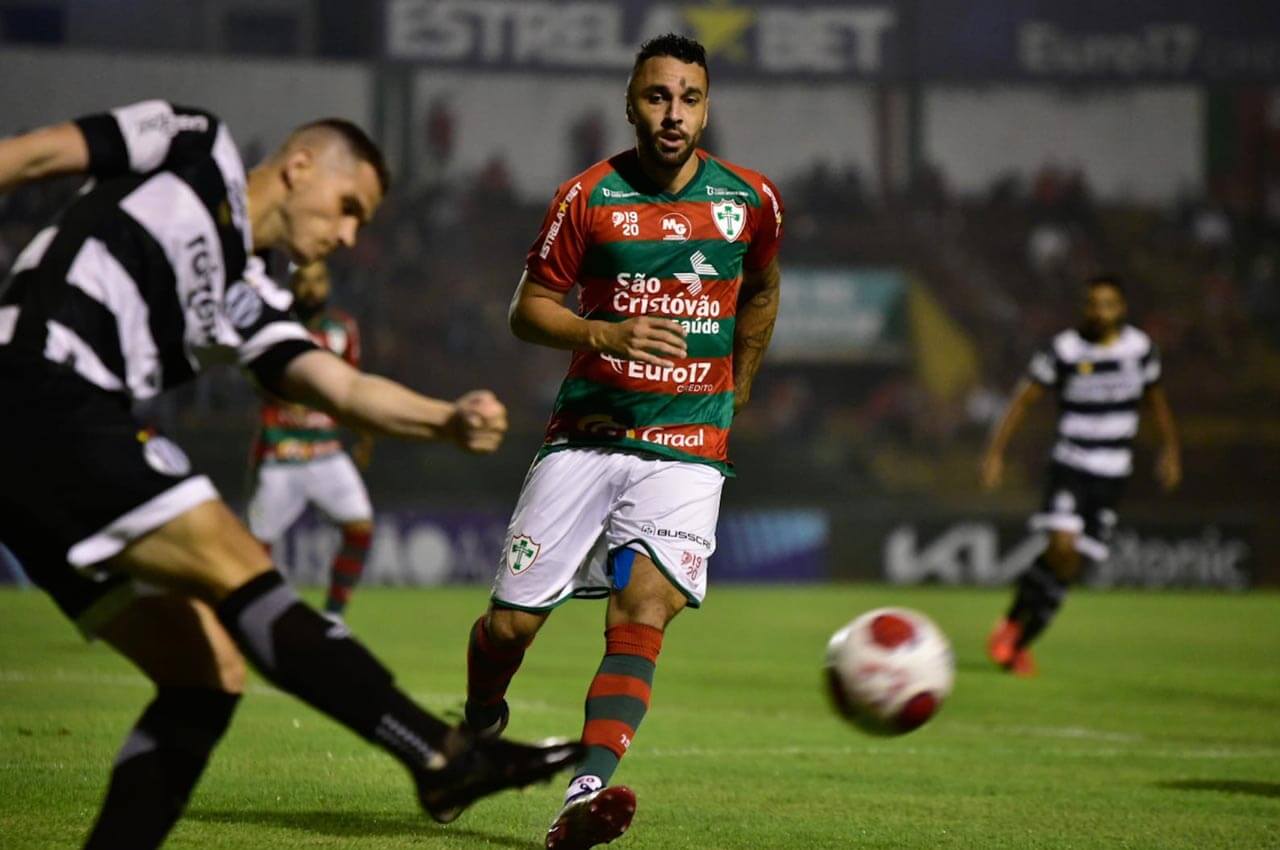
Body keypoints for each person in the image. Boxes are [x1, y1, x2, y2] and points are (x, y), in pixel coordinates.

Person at [0, 100, 581, 849]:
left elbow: (340, 389)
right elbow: (38, 155)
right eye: (348, 209)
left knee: (204, 672)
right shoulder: (194, 143)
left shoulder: (251, 298)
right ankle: (439, 755)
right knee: (234, 557)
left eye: (362, 226)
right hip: (37, 383)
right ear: (300, 166)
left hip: (60, 432)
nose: (347, 236)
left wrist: (445, 419)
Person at [458, 34, 784, 849]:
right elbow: (527, 310)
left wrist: (736, 388)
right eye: (656, 97)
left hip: (688, 448)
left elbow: (764, 290)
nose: (673, 114)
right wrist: (604, 333)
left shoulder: (752, 202)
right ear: (630, 103)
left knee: (645, 610)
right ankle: (475, 726)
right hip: (587, 436)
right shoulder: (588, 196)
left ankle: (584, 794)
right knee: (510, 631)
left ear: (707, 106)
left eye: (689, 98)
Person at [981, 274, 1181, 676]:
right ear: (1083, 307)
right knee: (1062, 545)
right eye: (1093, 304)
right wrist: (995, 453)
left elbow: (1157, 403)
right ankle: (1012, 643)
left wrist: (1170, 450)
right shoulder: (1064, 350)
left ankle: (1017, 630)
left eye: (1108, 304)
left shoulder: (1140, 350)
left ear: (1121, 308)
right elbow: (1022, 402)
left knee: (1071, 565)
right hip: (1071, 462)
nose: (1100, 312)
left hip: (1113, 472)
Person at [247, 259, 375, 620]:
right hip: (281, 449)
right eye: (303, 281)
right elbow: (252, 372)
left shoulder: (342, 328)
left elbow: (355, 385)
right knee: (254, 549)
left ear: (328, 283)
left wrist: (364, 435)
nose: (311, 289)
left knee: (360, 527)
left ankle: (333, 616)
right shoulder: (276, 322)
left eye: (318, 280)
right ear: (291, 283)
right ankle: (257, 615)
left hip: (326, 449)